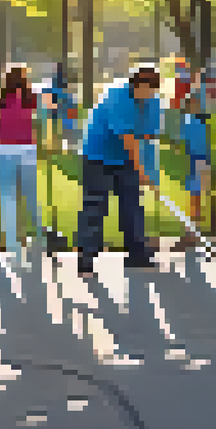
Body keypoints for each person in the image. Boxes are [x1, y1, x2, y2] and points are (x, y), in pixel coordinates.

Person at [76, 66, 164, 277]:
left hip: (125, 158)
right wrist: (140, 169)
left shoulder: (154, 102)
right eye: (144, 89)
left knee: (132, 204)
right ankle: (86, 259)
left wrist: (150, 174)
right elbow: (128, 138)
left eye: (152, 90)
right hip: (98, 156)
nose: (147, 95)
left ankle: (137, 254)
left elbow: (148, 139)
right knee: (95, 205)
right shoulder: (117, 95)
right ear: (134, 84)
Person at [0, 67, 42, 263]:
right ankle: (35, 238)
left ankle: (13, 247)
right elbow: (40, 123)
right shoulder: (31, 100)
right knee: (29, 197)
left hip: (4, 152)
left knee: (8, 199)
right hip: (27, 152)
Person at [173, 94, 212, 250]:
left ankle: (192, 233)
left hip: (197, 160)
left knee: (195, 197)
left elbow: (180, 142)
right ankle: (194, 231)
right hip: (199, 160)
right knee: (196, 197)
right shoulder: (197, 122)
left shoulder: (189, 122)